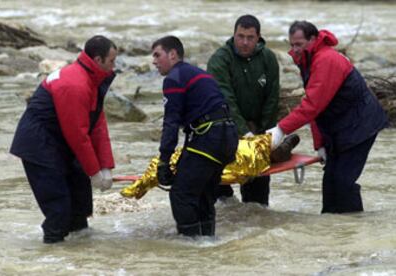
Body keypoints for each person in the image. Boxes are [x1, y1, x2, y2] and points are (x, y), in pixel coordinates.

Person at [266, 21, 388, 213]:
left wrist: (281, 129)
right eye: (291, 45)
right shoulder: (308, 59)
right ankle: (333, 229)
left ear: (313, 40)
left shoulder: (325, 60)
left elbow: (313, 106)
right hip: (341, 128)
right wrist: (320, 144)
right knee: (330, 181)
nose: (294, 50)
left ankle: (352, 228)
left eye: (299, 44)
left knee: (342, 182)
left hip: (361, 126)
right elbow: (318, 106)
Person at [10, 35, 118, 243]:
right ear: (98, 60)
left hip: (61, 144)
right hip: (39, 146)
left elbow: (97, 126)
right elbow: (78, 135)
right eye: (112, 61)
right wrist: (94, 172)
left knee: (80, 205)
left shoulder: (92, 79)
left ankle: (81, 258)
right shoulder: (74, 84)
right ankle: (52, 259)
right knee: (59, 209)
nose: (114, 66)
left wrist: (106, 166)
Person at [151, 36, 238, 237]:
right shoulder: (200, 74)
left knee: (181, 194)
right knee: (204, 194)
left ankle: (191, 246)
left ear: (173, 54)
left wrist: (164, 161)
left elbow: (171, 122)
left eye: (157, 55)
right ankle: (208, 242)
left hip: (209, 137)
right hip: (227, 138)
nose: (154, 61)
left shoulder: (173, 78)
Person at [207, 14, 280, 206]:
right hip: (223, 130)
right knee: (221, 192)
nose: (244, 42)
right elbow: (224, 100)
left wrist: (265, 137)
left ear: (258, 38)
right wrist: (244, 133)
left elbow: (272, 100)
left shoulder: (268, 58)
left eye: (250, 37)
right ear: (233, 35)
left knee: (257, 203)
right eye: (240, 36)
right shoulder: (219, 60)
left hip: (256, 129)